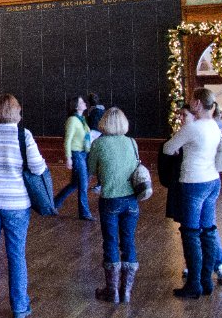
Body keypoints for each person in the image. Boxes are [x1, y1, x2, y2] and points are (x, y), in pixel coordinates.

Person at [0, 94, 47, 318]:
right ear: (17, 112)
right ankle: (20, 307)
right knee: (16, 254)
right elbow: (38, 168)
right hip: (16, 203)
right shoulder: (24, 135)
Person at [162, 88, 222, 299]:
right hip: (213, 180)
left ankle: (194, 284)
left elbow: (168, 148)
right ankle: (207, 280)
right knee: (208, 230)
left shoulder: (192, 128)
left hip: (193, 182)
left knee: (190, 232)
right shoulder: (215, 125)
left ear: (197, 103)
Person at [87, 107, 140, 303]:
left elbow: (91, 168)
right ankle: (126, 291)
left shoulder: (99, 143)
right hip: (131, 199)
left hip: (110, 198)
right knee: (128, 241)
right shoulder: (132, 142)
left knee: (110, 241)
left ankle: (112, 292)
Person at [53, 95, 95, 220]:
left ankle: (54, 203)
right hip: (77, 154)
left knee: (74, 184)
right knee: (83, 184)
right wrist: (68, 158)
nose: (85, 103)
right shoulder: (72, 120)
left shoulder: (82, 120)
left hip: (84, 153)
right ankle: (84, 213)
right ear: (76, 106)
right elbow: (67, 140)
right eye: (82, 102)